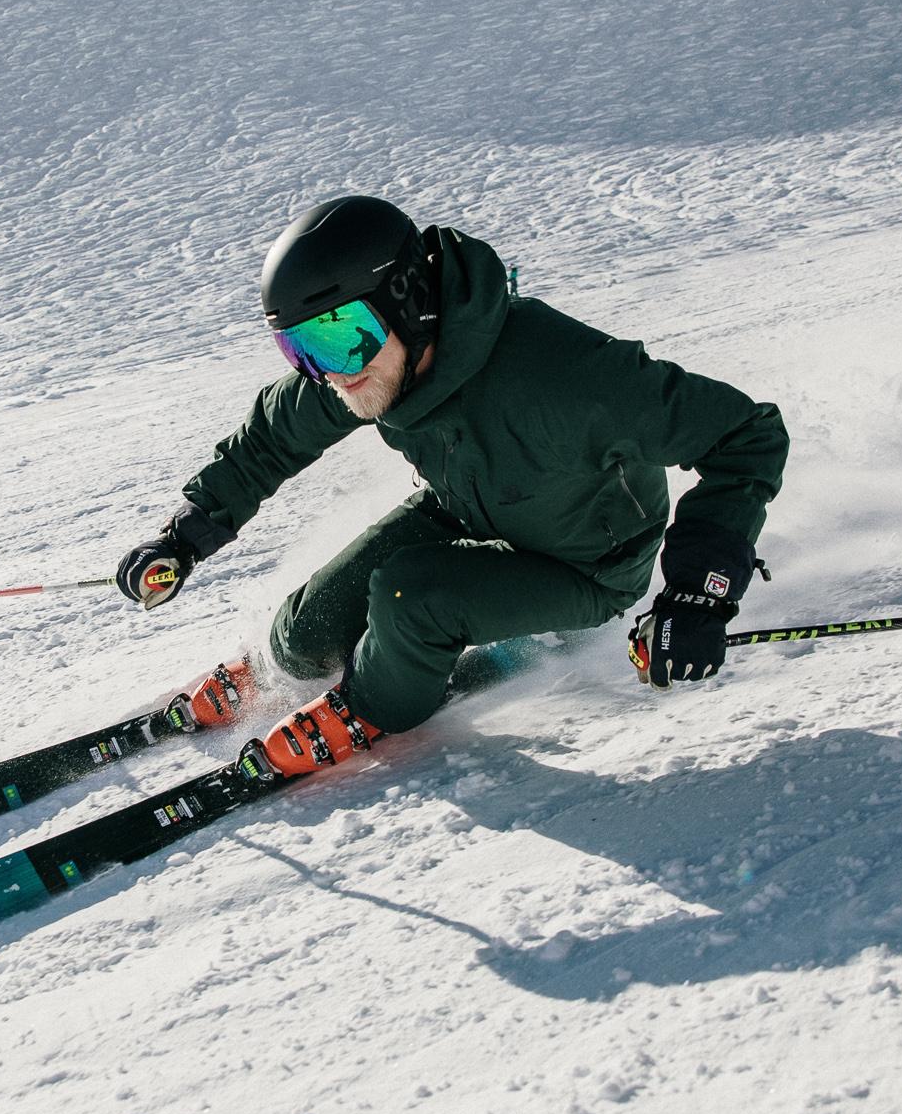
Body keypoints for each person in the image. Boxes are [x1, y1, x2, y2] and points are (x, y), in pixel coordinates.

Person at [117, 195, 788, 774]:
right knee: (304, 629)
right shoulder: (367, 365)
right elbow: (272, 437)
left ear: (406, 300)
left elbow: (746, 436)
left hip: (587, 562)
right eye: (303, 349)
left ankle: (369, 708)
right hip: (472, 510)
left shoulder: (566, 376)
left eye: (341, 335)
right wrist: (186, 535)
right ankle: (279, 671)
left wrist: (698, 594)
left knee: (413, 597)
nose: (330, 370)